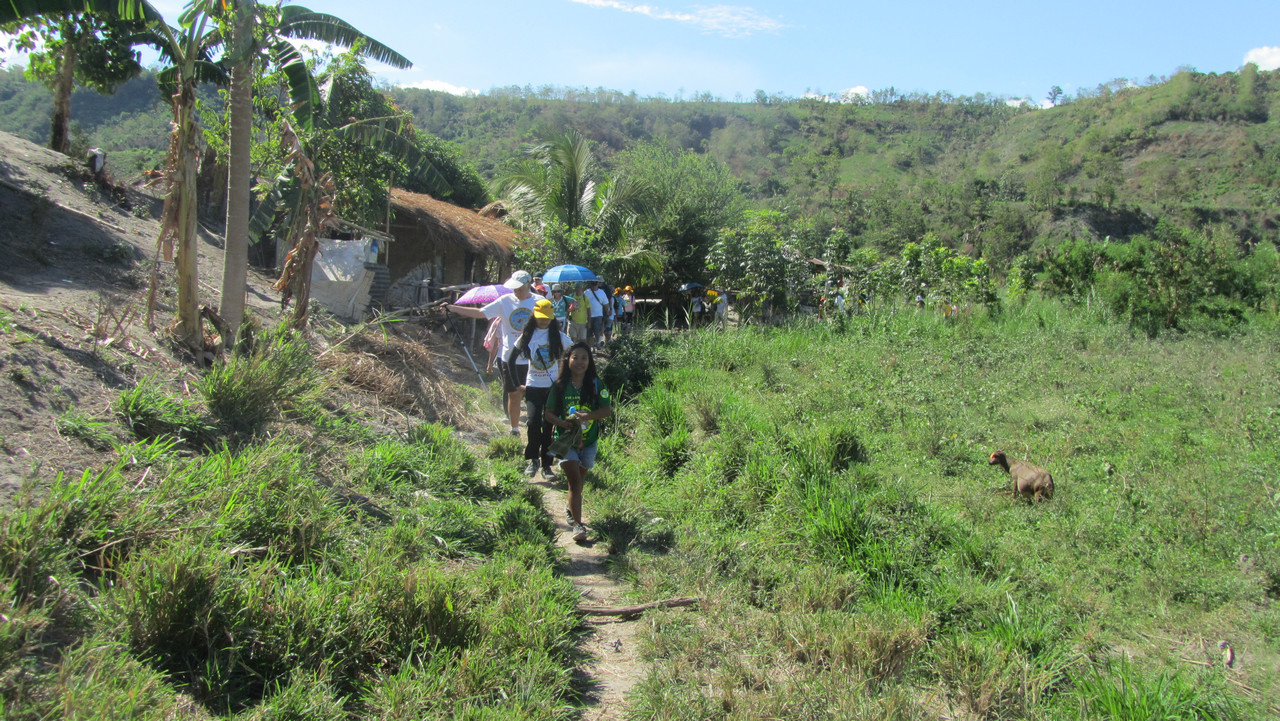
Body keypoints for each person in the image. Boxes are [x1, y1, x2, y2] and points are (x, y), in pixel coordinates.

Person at [446, 270, 538, 436]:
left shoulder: (540, 302)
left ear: (528, 285)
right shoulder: (505, 301)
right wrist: (452, 308)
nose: (516, 291)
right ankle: (515, 429)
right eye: (514, 288)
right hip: (510, 358)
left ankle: (535, 428)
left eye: (519, 288)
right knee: (513, 394)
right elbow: (481, 313)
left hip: (533, 358)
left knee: (534, 396)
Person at [545, 342, 612, 543]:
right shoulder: (559, 386)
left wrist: (588, 416)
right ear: (568, 360)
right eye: (575, 357)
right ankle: (578, 525)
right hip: (566, 443)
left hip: (589, 442)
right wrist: (562, 423)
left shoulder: (596, 384)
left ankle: (570, 508)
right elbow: (548, 414)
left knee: (578, 483)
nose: (580, 362)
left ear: (589, 361)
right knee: (574, 482)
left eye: (584, 358)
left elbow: (606, 410)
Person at [513, 298, 572, 479]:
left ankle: (547, 465)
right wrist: (517, 384)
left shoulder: (558, 336)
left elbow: (575, 353)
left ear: (552, 318)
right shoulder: (528, 335)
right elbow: (510, 360)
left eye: (547, 318)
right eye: (540, 317)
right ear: (534, 316)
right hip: (533, 386)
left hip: (552, 388)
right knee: (532, 423)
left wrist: (565, 379)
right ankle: (533, 460)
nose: (543, 321)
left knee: (548, 426)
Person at [586, 280, 607, 348]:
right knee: (589, 333)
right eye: (592, 283)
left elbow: (605, 303)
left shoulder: (602, 292)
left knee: (597, 331)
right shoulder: (586, 292)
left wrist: (607, 312)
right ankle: (591, 347)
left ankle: (598, 342)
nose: (594, 285)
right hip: (588, 316)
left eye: (595, 283)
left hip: (598, 315)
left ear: (598, 283)